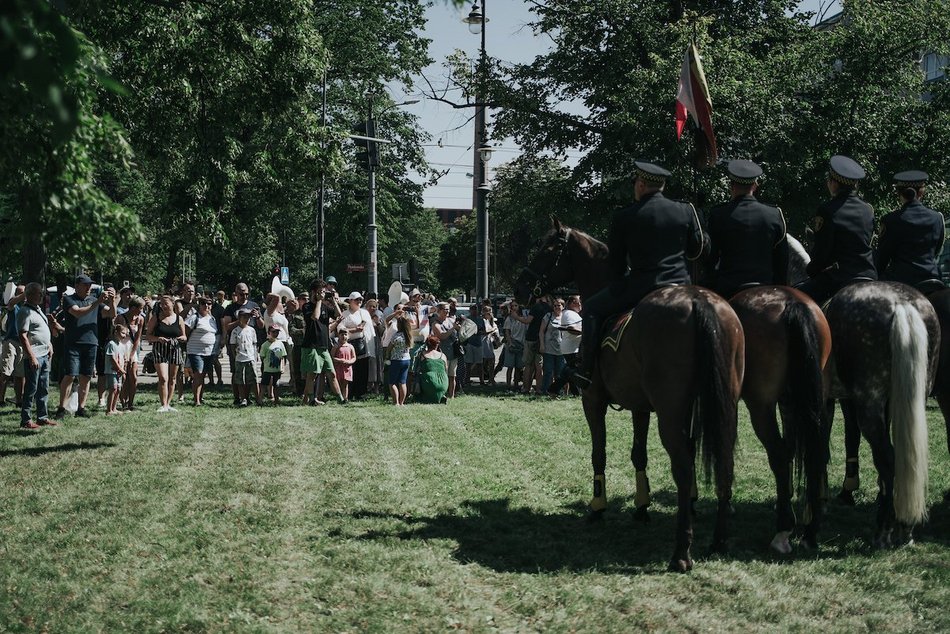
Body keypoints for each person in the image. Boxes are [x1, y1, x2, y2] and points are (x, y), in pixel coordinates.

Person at [575, 161, 705, 388]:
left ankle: (586, 371)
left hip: (641, 287)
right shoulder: (686, 210)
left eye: (635, 182)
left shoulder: (625, 216)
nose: (634, 186)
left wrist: (617, 285)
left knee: (592, 308)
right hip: (681, 286)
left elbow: (616, 264)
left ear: (642, 184)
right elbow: (698, 249)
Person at [796, 155, 877, 305]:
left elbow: (822, 251)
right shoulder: (868, 210)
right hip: (868, 276)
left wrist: (811, 271)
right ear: (855, 185)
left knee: (794, 302)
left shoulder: (827, 210)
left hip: (839, 278)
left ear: (833, 183)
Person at [705, 160, 788, 298]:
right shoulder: (774, 214)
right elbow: (782, 258)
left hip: (728, 289)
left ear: (731, 186)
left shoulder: (718, 214)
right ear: (755, 186)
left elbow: (711, 257)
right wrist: (780, 289)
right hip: (766, 287)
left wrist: (708, 283)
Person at [54, 275, 115, 420]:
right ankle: (61, 408)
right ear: (77, 286)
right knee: (70, 375)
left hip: (91, 343)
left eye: (90, 285)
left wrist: (112, 301)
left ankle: (81, 408)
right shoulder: (69, 299)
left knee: (86, 376)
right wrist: (99, 301)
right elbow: (78, 313)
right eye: (85, 285)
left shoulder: (94, 300)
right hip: (73, 343)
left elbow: (111, 314)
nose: (88, 288)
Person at [875, 170, 945, 291]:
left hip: (901, 281)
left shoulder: (890, 220)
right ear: (922, 192)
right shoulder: (937, 218)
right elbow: (936, 251)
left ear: (899, 193)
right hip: (931, 278)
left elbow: (883, 257)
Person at [300, 280, 345, 406]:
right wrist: (319, 301)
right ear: (314, 292)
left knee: (332, 373)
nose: (323, 294)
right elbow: (315, 317)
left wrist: (334, 301)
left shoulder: (326, 306)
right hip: (311, 345)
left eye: (324, 292)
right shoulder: (307, 306)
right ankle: (310, 399)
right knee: (312, 374)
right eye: (320, 291)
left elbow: (339, 315)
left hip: (323, 345)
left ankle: (340, 399)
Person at [18, 283, 54, 430]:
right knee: (31, 389)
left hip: (45, 355)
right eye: (39, 293)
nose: (41, 296)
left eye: (42, 293)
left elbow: (42, 330)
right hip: (35, 356)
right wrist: (31, 356)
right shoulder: (24, 311)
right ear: (30, 294)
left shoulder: (37, 309)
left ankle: (42, 417)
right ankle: (26, 420)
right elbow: (23, 335)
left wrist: (49, 345)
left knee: (43, 387)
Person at [222, 282, 261, 405]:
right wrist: (240, 320)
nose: (245, 296)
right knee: (236, 372)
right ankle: (237, 397)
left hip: (251, 344)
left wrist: (258, 317)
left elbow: (261, 326)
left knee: (251, 372)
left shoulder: (253, 305)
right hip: (235, 344)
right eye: (242, 294)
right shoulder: (230, 308)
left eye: (247, 294)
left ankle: (248, 397)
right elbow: (226, 326)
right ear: (236, 294)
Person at [147, 295, 186, 412]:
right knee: (163, 378)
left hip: (175, 349)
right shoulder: (156, 318)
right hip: (160, 349)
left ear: (172, 304)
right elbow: (148, 336)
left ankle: (168, 404)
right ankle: (163, 404)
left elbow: (184, 336)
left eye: (166, 303)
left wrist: (181, 338)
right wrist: (158, 338)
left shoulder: (179, 319)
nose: (163, 306)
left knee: (173, 378)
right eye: (161, 304)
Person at [512, 294, 551, 394]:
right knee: (539, 366)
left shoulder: (536, 307)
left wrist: (516, 317)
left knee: (528, 365)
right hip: (543, 339)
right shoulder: (549, 308)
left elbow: (527, 321)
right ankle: (539, 389)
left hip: (531, 338)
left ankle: (526, 388)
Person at [185, 297, 218, 406]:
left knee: (203, 375)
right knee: (198, 374)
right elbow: (186, 332)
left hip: (209, 352)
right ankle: (196, 400)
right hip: (195, 351)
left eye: (209, 303)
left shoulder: (212, 319)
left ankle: (200, 397)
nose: (206, 306)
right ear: (199, 305)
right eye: (203, 303)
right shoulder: (194, 318)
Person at [339, 292, 372, 400]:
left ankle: (361, 393)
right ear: (350, 301)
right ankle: (350, 392)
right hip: (349, 344)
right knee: (350, 368)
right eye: (356, 300)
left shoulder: (363, 313)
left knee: (362, 369)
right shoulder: (345, 314)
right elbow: (340, 329)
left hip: (362, 343)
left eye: (360, 300)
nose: (359, 302)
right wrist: (354, 330)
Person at [115, 296, 145, 411]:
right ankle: (122, 402)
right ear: (133, 307)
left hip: (132, 348)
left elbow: (138, 338)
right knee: (123, 376)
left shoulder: (140, 319)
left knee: (133, 377)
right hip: (121, 347)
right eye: (140, 308)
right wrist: (123, 355)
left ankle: (130, 403)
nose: (141, 311)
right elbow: (116, 336)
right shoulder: (121, 318)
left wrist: (132, 354)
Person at [0, 284, 26, 408]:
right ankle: (1, 399)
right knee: (6, 372)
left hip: (23, 344)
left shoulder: (28, 308)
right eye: (21, 293)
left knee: (20, 375)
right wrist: (27, 292)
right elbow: (12, 302)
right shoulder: (13, 305)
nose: (24, 296)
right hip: (11, 342)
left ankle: (19, 400)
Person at [430, 303, 462, 398]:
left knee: (453, 376)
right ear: (439, 311)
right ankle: (442, 394)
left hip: (453, 352)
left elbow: (460, 332)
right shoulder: (435, 323)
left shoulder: (451, 320)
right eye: (445, 309)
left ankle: (451, 396)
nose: (447, 311)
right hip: (442, 353)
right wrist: (453, 328)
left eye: (448, 309)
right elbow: (442, 336)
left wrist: (460, 327)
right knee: (444, 375)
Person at [230, 308, 260, 407]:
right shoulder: (235, 331)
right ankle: (243, 398)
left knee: (252, 379)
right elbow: (233, 345)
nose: (247, 318)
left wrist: (255, 356)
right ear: (239, 318)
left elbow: (254, 344)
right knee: (240, 380)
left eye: (248, 316)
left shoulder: (252, 330)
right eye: (244, 316)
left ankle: (256, 397)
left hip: (250, 357)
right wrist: (236, 356)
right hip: (240, 358)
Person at [539, 297, 566, 393]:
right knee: (548, 371)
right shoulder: (548, 316)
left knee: (559, 373)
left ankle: (557, 391)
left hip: (562, 350)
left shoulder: (566, 317)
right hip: (548, 349)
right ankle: (545, 390)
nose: (556, 307)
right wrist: (542, 345)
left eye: (558, 305)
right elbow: (541, 331)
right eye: (554, 305)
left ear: (563, 306)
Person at [415, 335, 449, 404]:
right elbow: (446, 369)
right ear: (437, 345)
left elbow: (417, 369)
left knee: (419, 375)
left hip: (430, 381)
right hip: (443, 382)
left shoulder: (423, 355)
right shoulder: (443, 355)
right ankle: (441, 396)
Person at [387, 316, 413, 406]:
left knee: (392, 382)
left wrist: (387, 357)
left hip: (396, 360)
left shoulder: (396, 336)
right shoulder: (408, 336)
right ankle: (402, 402)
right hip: (406, 360)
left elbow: (389, 348)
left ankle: (396, 402)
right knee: (403, 382)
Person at [103, 323, 128, 415]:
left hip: (119, 372)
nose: (124, 336)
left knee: (118, 389)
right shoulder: (111, 344)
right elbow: (112, 358)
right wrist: (119, 369)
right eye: (122, 333)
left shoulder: (122, 345)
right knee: (113, 389)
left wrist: (123, 371)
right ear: (115, 332)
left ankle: (114, 408)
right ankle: (109, 410)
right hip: (111, 371)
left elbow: (123, 359)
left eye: (125, 334)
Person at [503, 300, 527, 391]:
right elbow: (507, 332)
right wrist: (510, 343)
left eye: (516, 305)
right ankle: (508, 385)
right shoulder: (509, 318)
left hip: (521, 344)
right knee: (510, 366)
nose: (514, 307)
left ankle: (516, 385)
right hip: (512, 343)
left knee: (519, 367)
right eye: (512, 306)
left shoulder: (523, 317)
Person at [259, 325, 287, 404]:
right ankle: (260, 399)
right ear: (269, 333)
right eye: (273, 332)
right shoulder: (265, 345)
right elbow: (262, 356)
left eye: (277, 332)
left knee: (276, 385)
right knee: (264, 384)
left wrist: (282, 367)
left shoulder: (280, 344)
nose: (275, 334)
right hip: (267, 369)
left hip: (277, 369)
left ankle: (276, 399)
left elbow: (282, 356)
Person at [286, 295, 306, 396]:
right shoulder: (293, 316)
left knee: (307, 370)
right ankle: (299, 391)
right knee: (297, 369)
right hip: (298, 345)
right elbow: (291, 330)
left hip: (308, 345)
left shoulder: (308, 313)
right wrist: (303, 331)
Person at [332, 328, 356, 402]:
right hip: (338, 368)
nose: (344, 336)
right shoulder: (336, 346)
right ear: (338, 336)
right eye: (342, 335)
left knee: (345, 384)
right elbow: (331, 357)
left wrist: (349, 362)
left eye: (345, 335)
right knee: (338, 382)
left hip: (347, 368)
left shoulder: (350, 346)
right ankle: (339, 398)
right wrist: (339, 360)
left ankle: (345, 398)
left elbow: (354, 357)